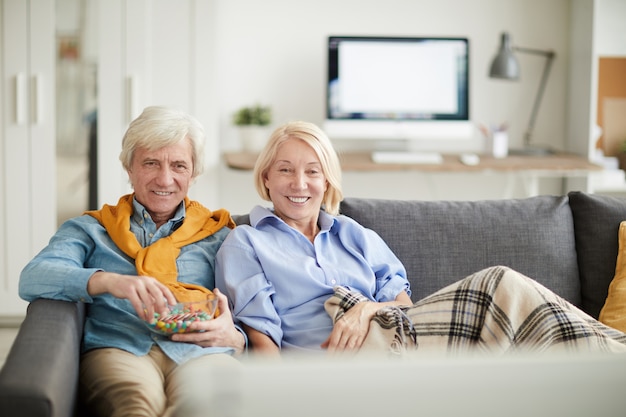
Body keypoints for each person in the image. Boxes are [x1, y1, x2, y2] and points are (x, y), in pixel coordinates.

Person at [215, 120, 626, 357]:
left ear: (327, 181)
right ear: (266, 177)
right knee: (500, 285)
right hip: (330, 360)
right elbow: (259, 338)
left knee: (522, 332)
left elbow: (404, 306)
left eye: (312, 171)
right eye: (285, 170)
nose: (299, 183)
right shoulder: (246, 242)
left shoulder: (353, 234)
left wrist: (365, 311)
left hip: (395, 338)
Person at [19, 106, 246, 417]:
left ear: (193, 173)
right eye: (151, 163)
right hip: (121, 347)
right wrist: (111, 281)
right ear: (129, 167)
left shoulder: (220, 234)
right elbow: (33, 277)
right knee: (135, 405)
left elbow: (254, 314)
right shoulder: (92, 229)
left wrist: (233, 337)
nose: (165, 179)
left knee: (206, 407)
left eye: (179, 165)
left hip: (202, 351)